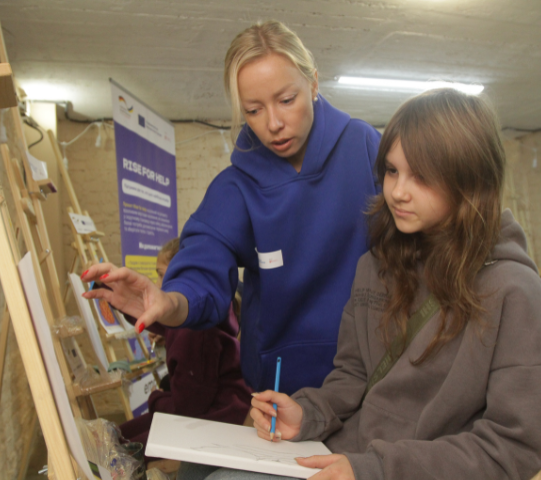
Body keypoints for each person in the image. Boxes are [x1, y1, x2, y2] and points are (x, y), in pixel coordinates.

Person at [186, 89, 541, 480]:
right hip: (349, 454)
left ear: (470, 179)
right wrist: (308, 414)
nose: (398, 191)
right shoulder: (377, 265)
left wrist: (376, 469)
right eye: (393, 170)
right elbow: (352, 376)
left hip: (398, 471)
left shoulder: (517, 293)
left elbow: (512, 449)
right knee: (196, 467)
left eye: (422, 176)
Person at [81, 21, 383, 395]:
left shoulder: (366, 149)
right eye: (253, 110)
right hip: (280, 393)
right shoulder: (236, 186)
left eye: (287, 100)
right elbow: (203, 263)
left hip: (372, 378)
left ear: (314, 83)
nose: (274, 123)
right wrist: (170, 300)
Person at [116, 237, 252, 444]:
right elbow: (164, 322)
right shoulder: (202, 310)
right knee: (122, 436)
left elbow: (190, 408)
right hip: (225, 410)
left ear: (182, 276)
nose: (156, 284)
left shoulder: (193, 330)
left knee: (125, 447)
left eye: (161, 275)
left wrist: (156, 399)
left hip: (218, 421)